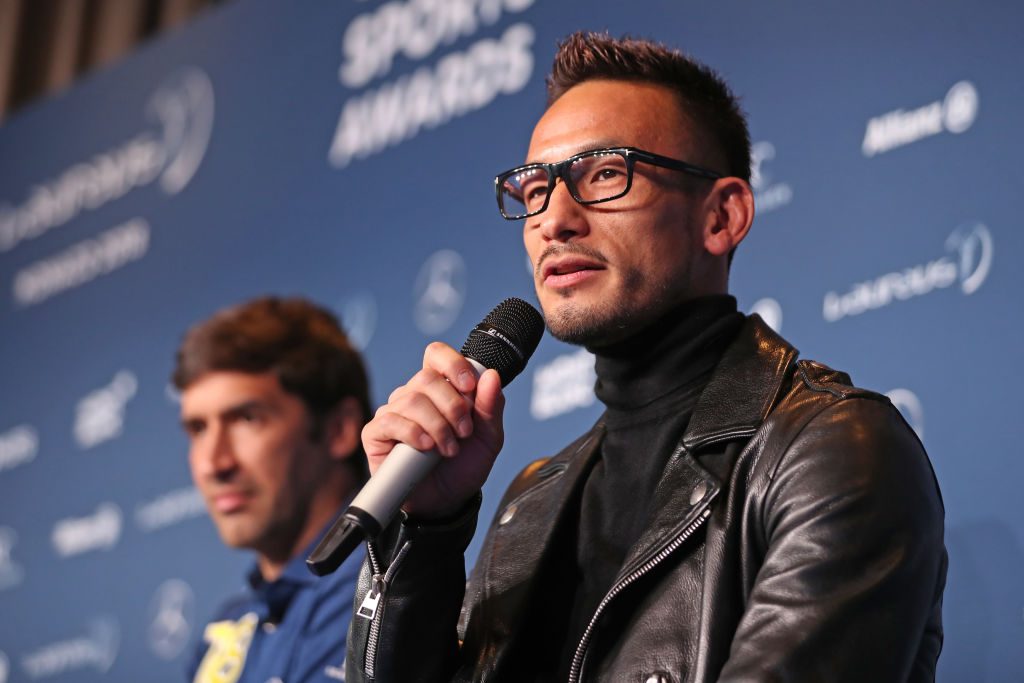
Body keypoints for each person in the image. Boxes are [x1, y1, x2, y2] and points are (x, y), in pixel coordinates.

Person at [347, 33, 947, 683]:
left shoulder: (830, 450)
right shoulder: (532, 498)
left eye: (604, 173)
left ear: (721, 216)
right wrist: (427, 532)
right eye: (535, 189)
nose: (554, 219)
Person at [174, 296, 372, 683]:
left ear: (339, 429)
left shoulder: (388, 594)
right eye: (198, 429)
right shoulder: (228, 628)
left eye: (247, 419)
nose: (215, 463)